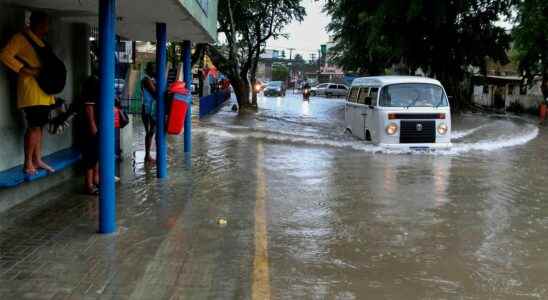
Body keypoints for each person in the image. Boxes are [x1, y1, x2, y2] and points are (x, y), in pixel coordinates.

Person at [0, 11, 55, 175]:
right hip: (31, 91)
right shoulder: (20, 38)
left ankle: (37, 159)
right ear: (37, 23)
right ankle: (28, 162)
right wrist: (23, 69)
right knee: (33, 127)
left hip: (45, 92)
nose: (47, 27)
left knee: (40, 127)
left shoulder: (41, 42)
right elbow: (4, 55)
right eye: (45, 23)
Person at [78, 76, 100, 195]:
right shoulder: (90, 94)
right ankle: (89, 185)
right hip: (90, 130)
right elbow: (89, 109)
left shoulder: (92, 91)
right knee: (90, 157)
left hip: (94, 129)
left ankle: (95, 180)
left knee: (95, 156)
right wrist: (93, 127)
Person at [141, 62, 157, 163]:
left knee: (151, 132)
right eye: (154, 69)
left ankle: (148, 155)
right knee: (150, 132)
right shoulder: (146, 79)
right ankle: (147, 156)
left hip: (149, 108)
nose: (155, 71)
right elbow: (155, 93)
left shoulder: (150, 79)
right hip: (148, 109)